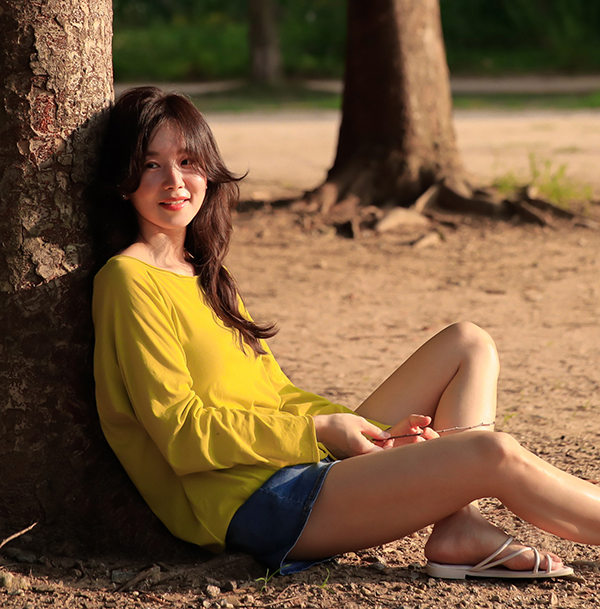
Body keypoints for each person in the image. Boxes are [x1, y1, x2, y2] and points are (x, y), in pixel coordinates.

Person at [92, 86, 600, 580]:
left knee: (468, 343)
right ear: (123, 180)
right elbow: (181, 433)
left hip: (292, 465)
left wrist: (373, 436)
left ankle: (459, 526)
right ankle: (466, 525)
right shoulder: (128, 280)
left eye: (187, 161)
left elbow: (276, 394)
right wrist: (319, 433)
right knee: (492, 454)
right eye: (151, 164)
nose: (174, 181)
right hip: (252, 501)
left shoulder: (203, 272)